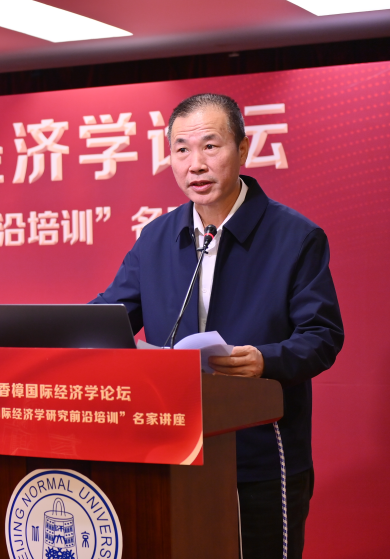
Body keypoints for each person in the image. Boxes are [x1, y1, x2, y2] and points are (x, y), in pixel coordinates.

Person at [90, 93, 344, 559]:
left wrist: (266, 360)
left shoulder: (295, 237)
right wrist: (63, 335)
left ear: (242, 149)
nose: (196, 164)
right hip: (173, 450)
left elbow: (322, 336)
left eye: (210, 146)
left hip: (260, 460)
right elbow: (109, 316)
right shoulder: (156, 238)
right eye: (181, 149)